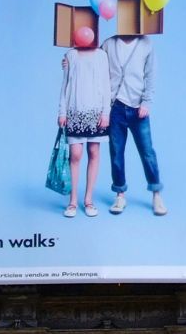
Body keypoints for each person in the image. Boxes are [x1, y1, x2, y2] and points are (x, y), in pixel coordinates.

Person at [103, 33, 166, 215]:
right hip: (115, 107)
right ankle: (120, 195)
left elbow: (151, 74)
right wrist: (68, 63)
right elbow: (96, 67)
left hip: (138, 108)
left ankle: (156, 195)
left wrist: (146, 102)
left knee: (147, 152)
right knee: (116, 153)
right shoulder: (109, 43)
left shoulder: (146, 43)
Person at [59, 26, 110, 217]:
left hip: (96, 112)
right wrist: (62, 111)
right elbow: (65, 85)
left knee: (94, 152)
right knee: (75, 154)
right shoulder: (70, 55)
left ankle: (88, 200)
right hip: (75, 111)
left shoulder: (101, 55)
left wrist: (106, 113)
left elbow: (106, 85)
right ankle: (72, 201)